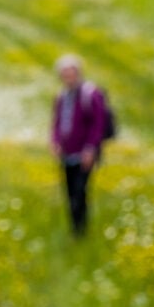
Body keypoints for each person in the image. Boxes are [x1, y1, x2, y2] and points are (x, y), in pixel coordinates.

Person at [50, 54, 106, 236]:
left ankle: (81, 231)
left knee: (80, 192)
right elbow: (57, 122)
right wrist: (55, 141)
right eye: (64, 74)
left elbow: (99, 124)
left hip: (85, 154)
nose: (68, 77)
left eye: (70, 73)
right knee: (69, 194)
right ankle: (75, 230)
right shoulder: (61, 96)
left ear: (78, 73)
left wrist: (91, 148)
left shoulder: (91, 94)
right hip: (66, 153)